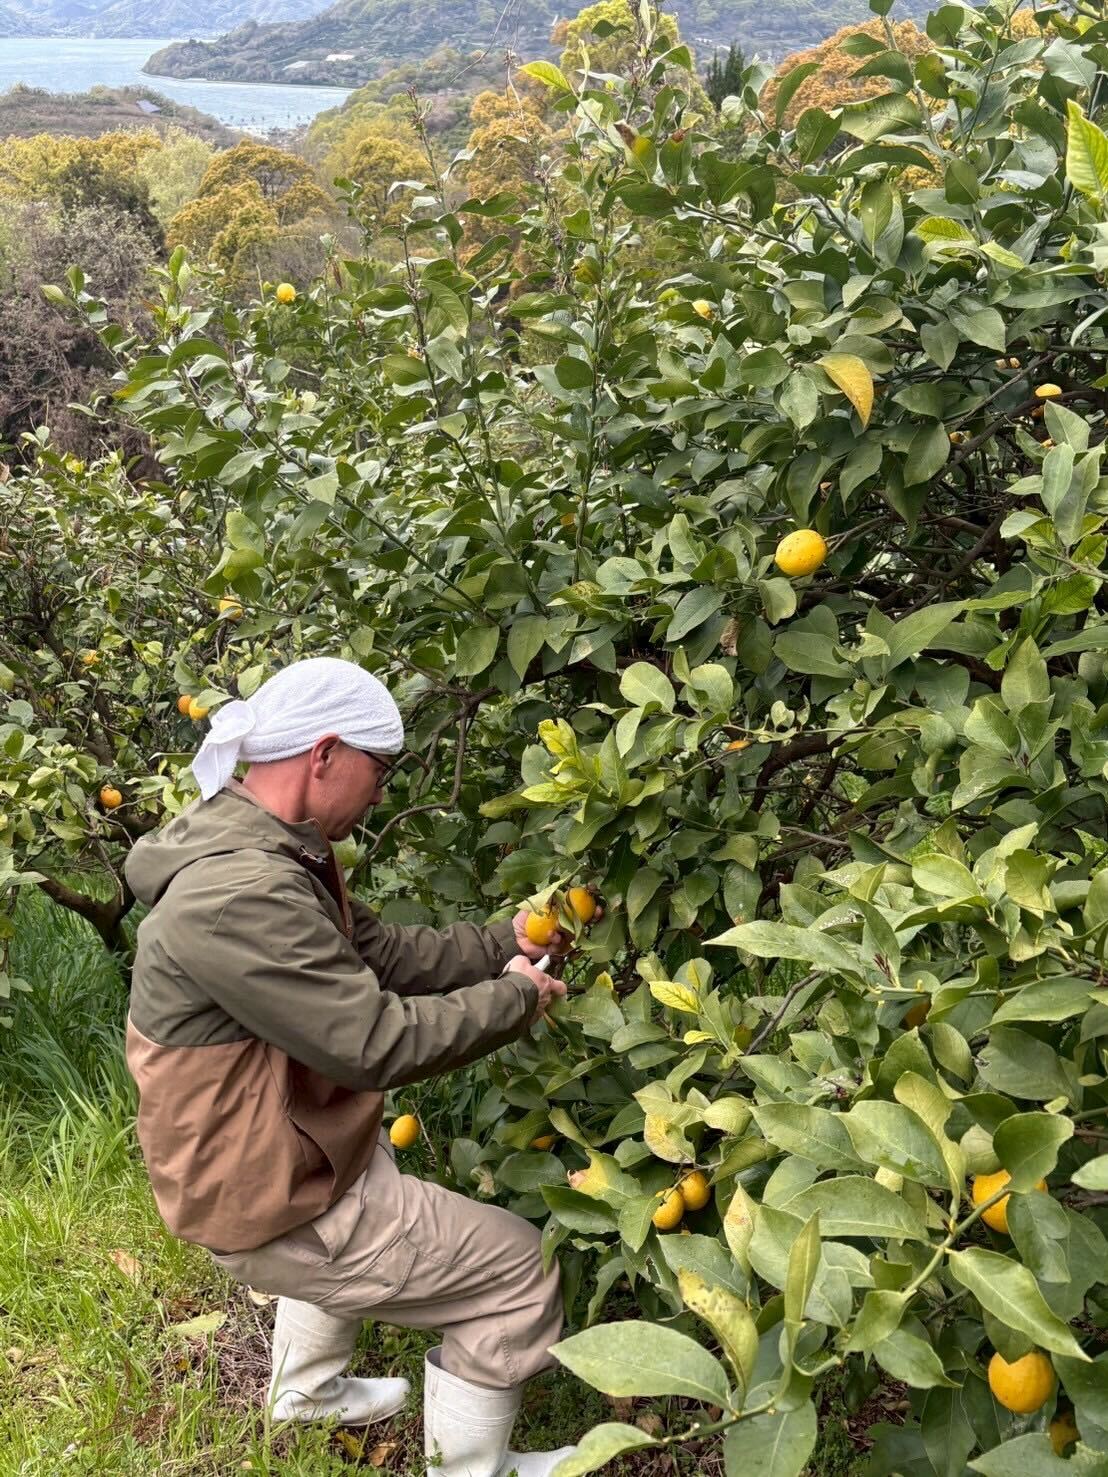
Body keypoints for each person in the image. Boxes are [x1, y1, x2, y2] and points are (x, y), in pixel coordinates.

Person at [124, 657, 576, 1477]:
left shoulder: (267, 842)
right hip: (264, 1195)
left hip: (262, 1156)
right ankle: (474, 1469)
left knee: (365, 1145)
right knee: (520, 1267)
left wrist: (503, 941)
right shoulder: (241, 891)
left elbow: (379, 952)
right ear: (326, 754)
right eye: (382, 768)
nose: (382, 791)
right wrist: (515, 998)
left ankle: (305, 1393)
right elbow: (375, 1042)